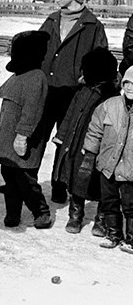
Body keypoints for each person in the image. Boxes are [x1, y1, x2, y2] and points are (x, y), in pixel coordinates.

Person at [39, 0, 107, 204]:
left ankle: (59, 185)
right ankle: (23, 181)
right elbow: (37, 49)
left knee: (65, 141)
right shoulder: (51, 20)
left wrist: (86, 76)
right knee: (36, 135)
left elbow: (101, 58)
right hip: (47, 89)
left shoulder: (92, 26)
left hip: (73, 94)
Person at [52, 47, 118, 234]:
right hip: (75, 145)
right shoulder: (81, 92)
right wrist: (61, 136)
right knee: (76, 179)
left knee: (98, 181)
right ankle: (75, 215)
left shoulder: (110, 97)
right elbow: (70, 115)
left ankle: (101, 218)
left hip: (96, 147)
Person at [0, 30, 53, 229]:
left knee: (25, 179)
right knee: (9, 177)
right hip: (8, 136)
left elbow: (32, 110)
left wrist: (22, 135)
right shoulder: (19, 74)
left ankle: (41, 211)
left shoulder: (37, 78)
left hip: (23, 139)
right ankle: (13, 213)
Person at [82, 64, 133, 252]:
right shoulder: (109, 105)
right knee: (109, 202)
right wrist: (89, 155)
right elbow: (94, 131)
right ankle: (113, 234)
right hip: (108, 166)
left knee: (130, 205)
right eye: (127, 83)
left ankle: (131, 239)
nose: (129, 87)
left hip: (130, 169)